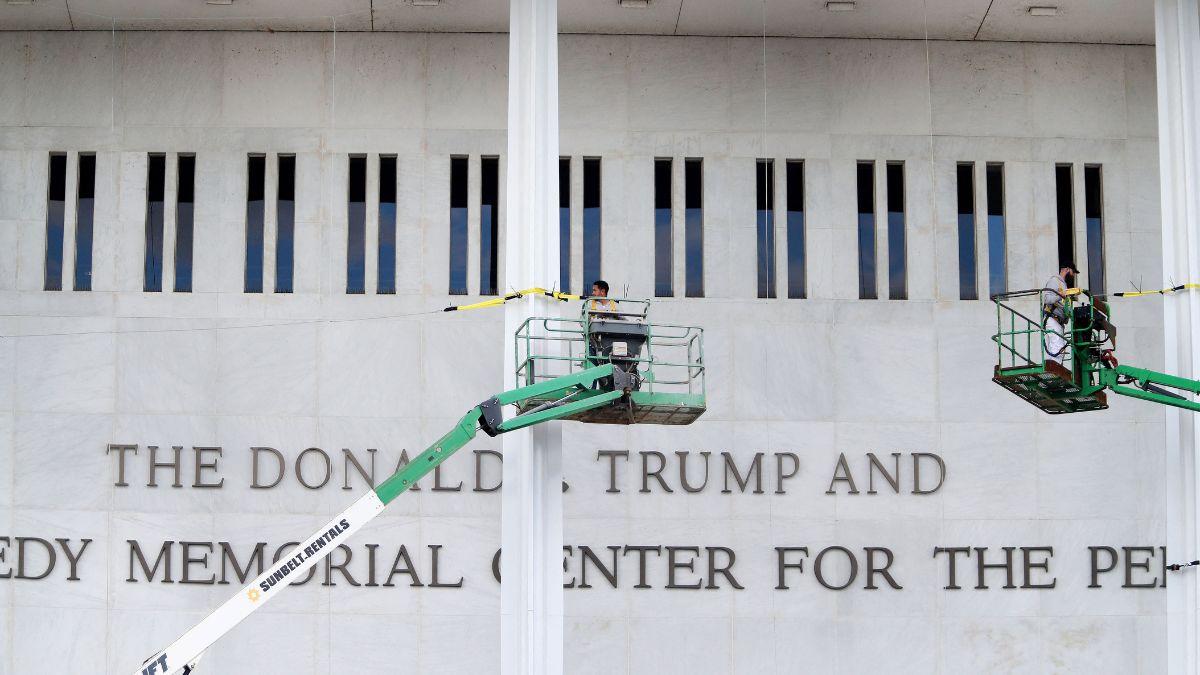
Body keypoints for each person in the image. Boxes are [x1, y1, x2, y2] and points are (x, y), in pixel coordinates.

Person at [1041, 263, 1078, 365]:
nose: (1073, 275)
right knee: (1058, 346)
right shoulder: (1055, 281)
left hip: (1058, 322)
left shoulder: (1064, 285)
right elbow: (1047, 298)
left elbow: (1063, 306)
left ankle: (1052, 370)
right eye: (1073, 272)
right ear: (1066, 269)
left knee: (1055, 348)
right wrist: (1060, 295)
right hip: (1052, 319)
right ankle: (1054, 372)